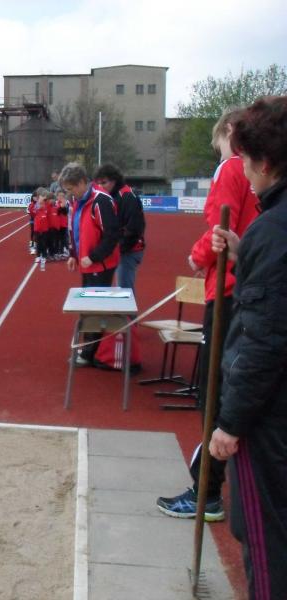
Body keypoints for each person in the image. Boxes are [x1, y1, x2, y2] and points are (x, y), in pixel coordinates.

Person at [156, 108, 260, 522]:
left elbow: (221, 226)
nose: (219, 153)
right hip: (250, 287)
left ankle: (207, 492)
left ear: (230, 132)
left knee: (214, 391)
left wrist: (198, 256)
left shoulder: (232, 167)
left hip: (230, 289)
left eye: (218, 144)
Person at [208, 95, 287, 600]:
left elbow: (263, 341)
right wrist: (245, 251)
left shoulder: (272, 229)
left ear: (265, 162)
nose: (242, 170)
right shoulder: (269, 230)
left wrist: (230, 422)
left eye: (245, 159)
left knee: (265, 540)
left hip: (270, 420)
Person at [60, 162, 120, 366]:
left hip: (100, 265)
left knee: (94, 309)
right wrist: (73, 254)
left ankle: (89, 353)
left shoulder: (101, 201)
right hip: (87, 263)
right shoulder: (77, 201)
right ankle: (91, 349)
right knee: (88, 307)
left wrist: (93, 257)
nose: (69, 193)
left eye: (71, 188)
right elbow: (75, 229)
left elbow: (112, 235)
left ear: (82, 182)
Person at [93, 163, 146, 293]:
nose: (101, 186)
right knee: (120, 288)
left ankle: (129, 308)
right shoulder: (110, 195)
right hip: (119, 248)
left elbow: (135, 228)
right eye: (98, 183)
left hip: (129, 250)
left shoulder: (126, 196)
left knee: (124, 291)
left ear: (114, 180)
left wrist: (119, 247)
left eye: (104, 182)